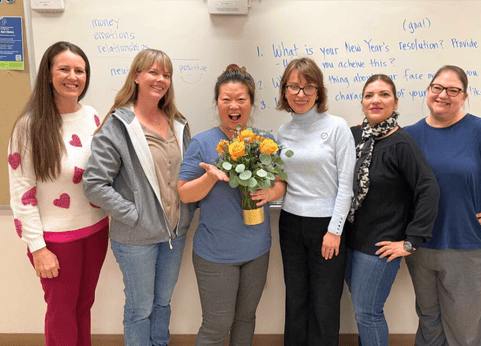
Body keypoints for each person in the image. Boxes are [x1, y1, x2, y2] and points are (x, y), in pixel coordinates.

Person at [82, 49, 194, 346]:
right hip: (135, 238)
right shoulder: (119, 125)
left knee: (162, 303)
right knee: (140, 309)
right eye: (153, 73)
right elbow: (94, 183)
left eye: (166, 75)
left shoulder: (177, 123)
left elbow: (185, 176)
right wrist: (135, 215)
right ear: (137, 76)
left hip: (174, 233)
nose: (160, 79)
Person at [8, 41, 109, 346]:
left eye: (80, 70)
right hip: (55, 239)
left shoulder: (92, 115)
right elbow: (21, 192)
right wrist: (37, 247)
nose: (73, 76)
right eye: (64, 69)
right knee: (62, 311)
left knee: (83, 306)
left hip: (95, 230)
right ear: (48, 74)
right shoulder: (29, 126)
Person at [177, 64, 286, 346]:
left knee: (246, 319)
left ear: (251, 103)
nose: (233, 105)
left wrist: (271, 194)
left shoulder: (265, 141)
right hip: (215, 254)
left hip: (257, 249)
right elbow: (185, 194)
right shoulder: (202, 142)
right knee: (216, 326)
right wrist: (210, 178)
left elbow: (280, 183)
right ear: (217, 103)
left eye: (241, 99)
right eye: (226, 99)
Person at [405, 65, 481, 346]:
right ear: (429, 90)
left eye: (453, 90)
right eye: (437, 88)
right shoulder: (409, 136)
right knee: (430, 327)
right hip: (421, 249)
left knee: (465, 335)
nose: (443, 95)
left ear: (464, 96)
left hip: (471, 247)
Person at [344, 74, 440, 346]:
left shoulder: (401, 143)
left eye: (384, 94)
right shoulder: (354, 136)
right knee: (362, 312)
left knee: (368, 313)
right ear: (362, 102)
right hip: (352, 240)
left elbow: (429, 189)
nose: (376, 100)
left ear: (395, 102)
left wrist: (411, 242)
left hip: (380, 245)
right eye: (369, 95)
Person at [275, 57, 355, 346]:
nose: (300, 94)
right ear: (284, 91)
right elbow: (282, 181)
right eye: (293, 87)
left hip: (327, 226)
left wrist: (334, 230)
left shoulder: (336, 127)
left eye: (308, 87)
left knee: (324, 303)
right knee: (295, 300)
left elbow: (346, 184)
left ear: (319, 92)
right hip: (290, 223)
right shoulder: (282, 133)